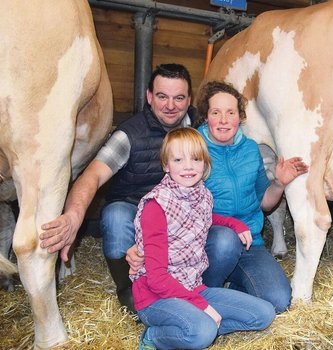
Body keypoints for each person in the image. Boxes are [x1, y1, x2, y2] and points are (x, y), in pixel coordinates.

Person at [128, 81, 308, 313]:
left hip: (250, 241)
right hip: (205, 244)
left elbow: (264, 202)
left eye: (230, 112)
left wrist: (279, 183)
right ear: (206, 116)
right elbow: (166, 197)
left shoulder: (251, 149)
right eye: (216, 112)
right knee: (225, 239)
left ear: (239, 117)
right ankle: (203, 294)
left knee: (279, 301)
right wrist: (142, 243)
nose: (223, 120)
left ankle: (231, 287)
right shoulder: (193, 148)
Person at [39, 64, 197, 313]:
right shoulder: (129, 135)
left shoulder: (199, 129)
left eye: (178, 98)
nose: (170, 105)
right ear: (149, 97)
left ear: (189, 100)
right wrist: (74, 216)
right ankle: (130, 290)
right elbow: (92, 175)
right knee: (114, 217)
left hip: (181, 214)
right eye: (162, 96)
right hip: (136, 208)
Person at [132, 128, 274, 350]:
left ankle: (196, 323)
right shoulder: (156, 206)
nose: (188, 166)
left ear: (205, 164)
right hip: (155, 297)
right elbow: (156, 278)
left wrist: (234, 224)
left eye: (195, 158)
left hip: (191, 286)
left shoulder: (202, 194)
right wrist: (202, 306)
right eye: (178, 159)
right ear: (166, 165)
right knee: (202, 332)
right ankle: (154, 336)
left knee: (263, 314)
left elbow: (205, 217)